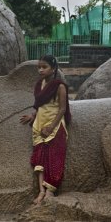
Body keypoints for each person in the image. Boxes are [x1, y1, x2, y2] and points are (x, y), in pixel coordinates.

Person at [20, 55, 71, 205]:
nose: (40, 70)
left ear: (53, 69)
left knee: (54, 158)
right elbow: (39, 104)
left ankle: (50, 191)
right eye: (39, 67)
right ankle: (41, 191)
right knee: (39, 158)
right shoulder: (39, 84)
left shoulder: (59, 86)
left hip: (54, 125)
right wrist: (32, 115)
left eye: (44, 67)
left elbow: (62, 109)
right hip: (39, 123)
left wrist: (51, 126)